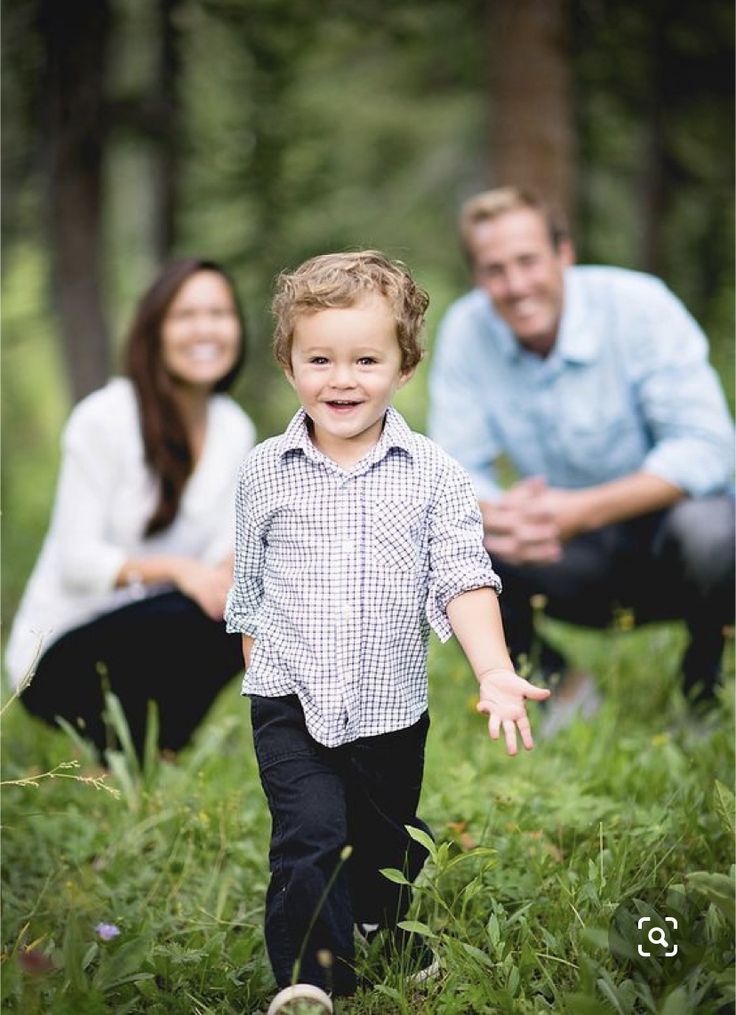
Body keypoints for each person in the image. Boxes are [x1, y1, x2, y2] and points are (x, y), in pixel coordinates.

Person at [224, 250, 550, 1013]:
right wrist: (258, 672)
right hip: (289, 698)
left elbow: (463, 577)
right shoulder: (264, 471)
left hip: (389, 706)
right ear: (288, 361)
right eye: (320, 359)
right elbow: (251, 587)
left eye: (367, 359)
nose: (342, 379)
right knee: (309, 834)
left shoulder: (434, 474)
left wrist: (493, 668)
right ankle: (312, 977)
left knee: (385, 841)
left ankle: (382, 922)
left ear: (406, 367)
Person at [428, 186, 734, 721]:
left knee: (713, 530)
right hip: (561, 556)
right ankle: (559, 687)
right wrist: (501, 514)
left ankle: (704, 686)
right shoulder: (465, 330)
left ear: (563, 253)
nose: (516, 285)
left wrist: (579, 511)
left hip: (668, 545)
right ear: (479, 277)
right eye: (495, 270)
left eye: (528, 261)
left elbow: (709, 448)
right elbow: (454, 470)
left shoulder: (640, 305)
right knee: (441, 535)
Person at [6, 258, 256, 758]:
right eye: (186, 315)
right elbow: (77, 560)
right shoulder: (105, 418)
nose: (205, 328)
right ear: (155, 330)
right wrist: (179, 570)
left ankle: (159, 747)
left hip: (161, 629)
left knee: (246, 600)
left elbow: (227, 552)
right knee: (195, 607)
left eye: (220, 313)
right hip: (62, 653)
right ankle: (114, 748)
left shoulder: (234, 428)